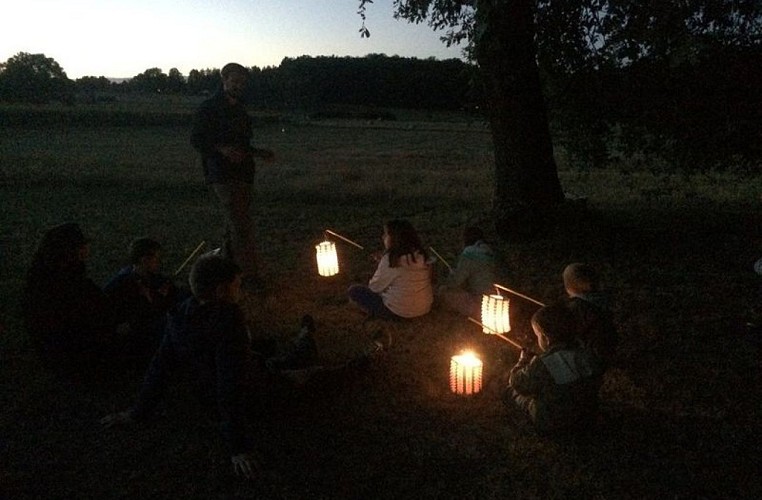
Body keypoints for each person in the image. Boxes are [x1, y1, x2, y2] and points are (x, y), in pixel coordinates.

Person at [101, 255, 259, 479]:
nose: (239, 290)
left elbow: (161, 366)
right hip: (236, 398)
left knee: (267, 351)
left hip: (205, 392)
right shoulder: (228, 322)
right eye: (237, 285)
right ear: (221, 290)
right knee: (300, 374)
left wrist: (137, 412)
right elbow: (230, 384)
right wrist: (238, 446)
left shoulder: (180, 315)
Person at [190, 62, 274, 293]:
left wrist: (258, 153)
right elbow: (197, 140)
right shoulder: (209, 108)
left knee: (235, 224)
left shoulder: (241, 110)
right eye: (234, 81)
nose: (238, 85)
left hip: (244, 173)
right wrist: (222, 150)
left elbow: (244, 144)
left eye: (242, 82)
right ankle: (249, 276)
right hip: (221, 174)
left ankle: (225, 272)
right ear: (224, 80)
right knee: (240, 225)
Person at [21, 222, 118, 376]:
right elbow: (96, 312)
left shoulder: (43, 276)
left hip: (55, 352)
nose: (87, 249)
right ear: (73, 250)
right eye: (83, 245)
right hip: (74, 357)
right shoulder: (67, 283)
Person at [505, 304, 604, 435]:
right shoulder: (587, 354)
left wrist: (522, 361)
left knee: (512, 392)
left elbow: (518, 383)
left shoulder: (544, 364)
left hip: (552, 422)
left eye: (537, 336)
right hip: (585, 418)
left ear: (545, 338)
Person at [103, 237, 180, 354]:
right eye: (156, 258)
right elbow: (137, 317)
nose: (159, 262)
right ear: (144, 260)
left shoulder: (156, 280)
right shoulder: (121, 285)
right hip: (136, 344)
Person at [348, 219, 433, 320]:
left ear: (395, 238)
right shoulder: (421, 255)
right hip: (424, 308)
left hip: (398, 312)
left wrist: (382, 265)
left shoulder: (391, 260)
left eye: (386, 234)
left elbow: (374, 287)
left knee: (354, 290)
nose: (383, 237)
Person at [560, 263, 618, 368]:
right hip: (609, 343)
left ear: (569, 287)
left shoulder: (577, 308)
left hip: (592, 354)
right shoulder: (602, 299)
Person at [437, 226, 497, 317]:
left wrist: (451, 274)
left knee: (444, 291)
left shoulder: (469, 253)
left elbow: (455, 282)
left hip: (481, 304)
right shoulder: (490, 251)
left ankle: (450, 316)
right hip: (497, 301)